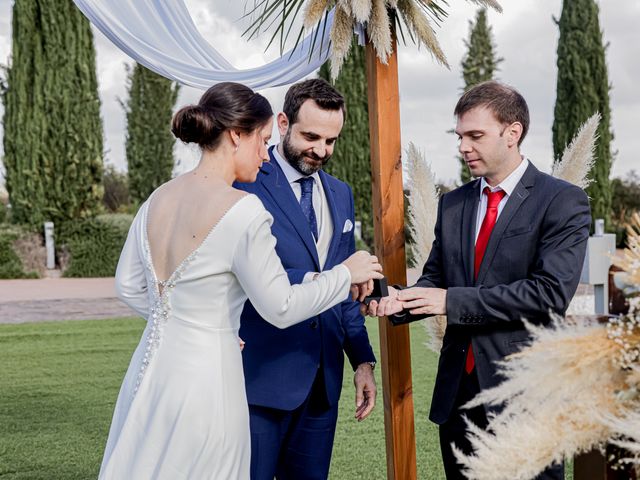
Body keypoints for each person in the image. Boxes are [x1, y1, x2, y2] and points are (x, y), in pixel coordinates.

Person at [99, 82, 383, 479]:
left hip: (156, 370)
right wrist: (345, 275)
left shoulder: (157, 198)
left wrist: (188, 323)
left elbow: (128, 286)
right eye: (264, 139)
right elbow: (280, 307)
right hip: (218, 376)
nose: (265, 152)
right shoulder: (243, 206)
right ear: (237, 134)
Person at [367, 81, 591, 479]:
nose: (463, 146)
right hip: (458, 399)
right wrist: (396, 299)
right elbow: (435, 279)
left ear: (513, 132)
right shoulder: (453, 204)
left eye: (475, 135)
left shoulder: (561, 200)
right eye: (460, 136)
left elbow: (550, 293)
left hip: (526, 398)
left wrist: (450, 301)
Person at [235, 78, 378, 480]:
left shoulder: (340, 193)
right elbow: (241, 275)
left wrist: (362, 360)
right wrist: (330, 276)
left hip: (322, 385)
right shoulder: (244, 183)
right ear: (283, 123)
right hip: (261, 379)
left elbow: (344, 291)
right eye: (311, 136)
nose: (321, 150)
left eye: (331, 140)